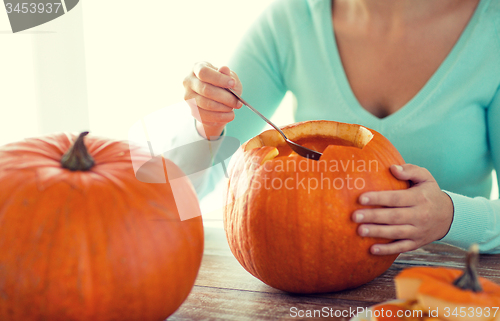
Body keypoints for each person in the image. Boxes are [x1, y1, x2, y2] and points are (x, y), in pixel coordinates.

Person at [181, 0, 500, 255]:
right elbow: (180, 195)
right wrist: (207, 127)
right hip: (307, 287)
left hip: (456, 289)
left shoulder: (493, 28)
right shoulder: (291, 20)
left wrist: (450, 217)